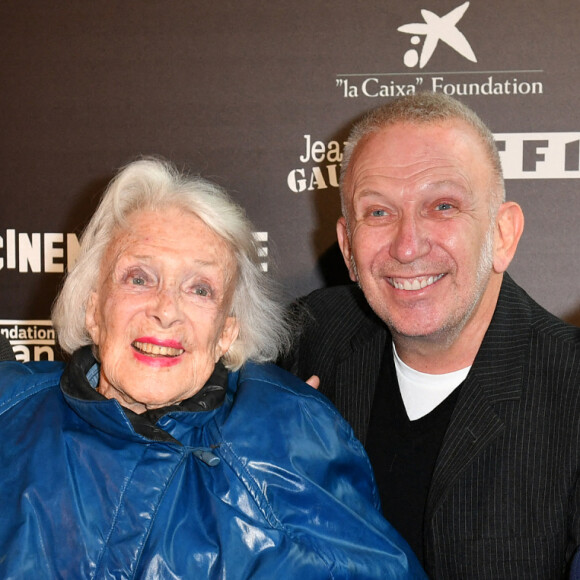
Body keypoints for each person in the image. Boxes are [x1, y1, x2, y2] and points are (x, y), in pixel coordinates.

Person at [0, 158, 426, 579]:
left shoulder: (287, 445)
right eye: (139, 278)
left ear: (226, 332)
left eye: (199, 289)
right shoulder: (8, 411)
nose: (166, 311)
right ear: (93, 309)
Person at [282, 92, 580, 579]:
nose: (407, 245)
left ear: (502, 234)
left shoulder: (571, 389)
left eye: (442, 206)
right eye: (378, 213)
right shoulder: (307, 339)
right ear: (347, 248)